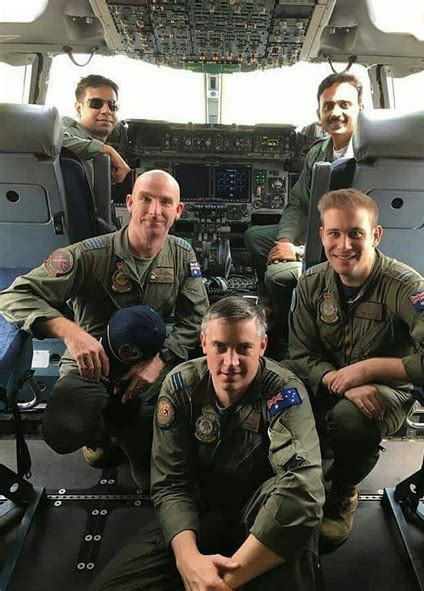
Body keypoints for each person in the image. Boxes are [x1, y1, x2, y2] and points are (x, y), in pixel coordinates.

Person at [90, 297, 325, 591]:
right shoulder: (180, 387)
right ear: (203, 343)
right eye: (220, 347)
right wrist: (187, 560)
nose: (230, 362)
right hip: (200, 512)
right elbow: (171, 484)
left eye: (244, 348)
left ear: (262, 347)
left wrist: (225, 581)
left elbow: (303, 485)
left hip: (263, 514)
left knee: (297, 505)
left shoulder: (283, 391)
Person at [287, 188, 424, 550]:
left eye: (355, 233)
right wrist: (337, 379)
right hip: (329, 380)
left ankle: (344, 489)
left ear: (375, 235)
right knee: (274, 386)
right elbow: (299, 354)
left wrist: (371, 368)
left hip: (386, 391)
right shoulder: (312, 284)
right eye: (334, 234)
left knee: (350, 418)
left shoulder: (404, 286)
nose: (344, 245)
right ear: (322, 235)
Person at [0, 170, 209, 489]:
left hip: (148, 366)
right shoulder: (87, 254)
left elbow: (197, 316)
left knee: (187, 405)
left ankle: (137, 442)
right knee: (64, 429)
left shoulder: (182, 253)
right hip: (90, 365)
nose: (155, 210)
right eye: (146, 199)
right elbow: (14, 295)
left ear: (178, 211)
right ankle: (103, 434)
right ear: (129, 203)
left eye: (166, 202)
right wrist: (70, 331)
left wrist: (162, 359)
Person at [244, 72, 363, 350]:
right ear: (319, 113)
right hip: (316, 233)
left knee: (280, 276)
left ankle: (289, 336)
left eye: (345, 104)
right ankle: (271, 306)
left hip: (345, 246)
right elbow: (298, 203)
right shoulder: (318, 153)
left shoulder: (374, 159)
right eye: (328, 106)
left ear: (360, 109)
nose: (336, 112)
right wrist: (285, 240)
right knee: (254, 236)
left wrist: (299, 251)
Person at [62, 74, 130, 187]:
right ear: (79, 108)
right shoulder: (68, 130)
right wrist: (106, 149)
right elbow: (52, 140)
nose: (106, 111)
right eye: (96, 103)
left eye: (112, 105)